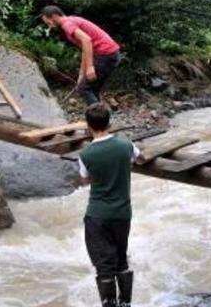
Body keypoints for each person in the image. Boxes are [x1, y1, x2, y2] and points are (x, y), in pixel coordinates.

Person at [78, 103, 145, 307]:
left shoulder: (85, 154)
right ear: (109, 123)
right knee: (121, 259)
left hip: (97, 215)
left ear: (88, 126)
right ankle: (125, 303)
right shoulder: (126, 145)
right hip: (122, 213)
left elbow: (85, 180)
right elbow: (141, 159)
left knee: (104, 265)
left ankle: (109, 304)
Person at [40, 6, 121, 105]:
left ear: (54, 16)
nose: (49, 26)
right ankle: (101, 113)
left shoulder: (67, 24)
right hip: (110, 54)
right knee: (92, 89)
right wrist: (82, 73)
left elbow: (86, 40)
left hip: (106, 54)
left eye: (48, 23)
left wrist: (90, 67)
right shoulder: (71, 20)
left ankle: (98, 114)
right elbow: (85, 49)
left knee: (84, 89)